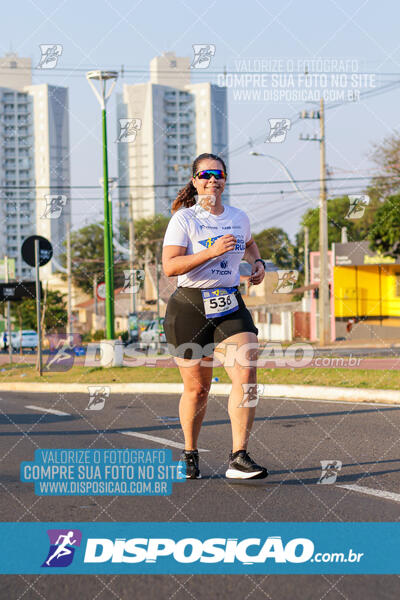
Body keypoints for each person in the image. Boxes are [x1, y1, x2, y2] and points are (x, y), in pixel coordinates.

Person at [162, 153, 268, 480]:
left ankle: (239, 457)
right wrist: (212, 251)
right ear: (195, 181)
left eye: (218, 174)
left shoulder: (238, 217)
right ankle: (190, 451)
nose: (213, 180)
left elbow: (249, 243)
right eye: (205, 175)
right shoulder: (184, 220)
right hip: (190, 307)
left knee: (246, 375)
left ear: (224, 180)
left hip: (228, 303)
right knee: (198, 389)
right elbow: (170, 267)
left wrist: (257, 263)